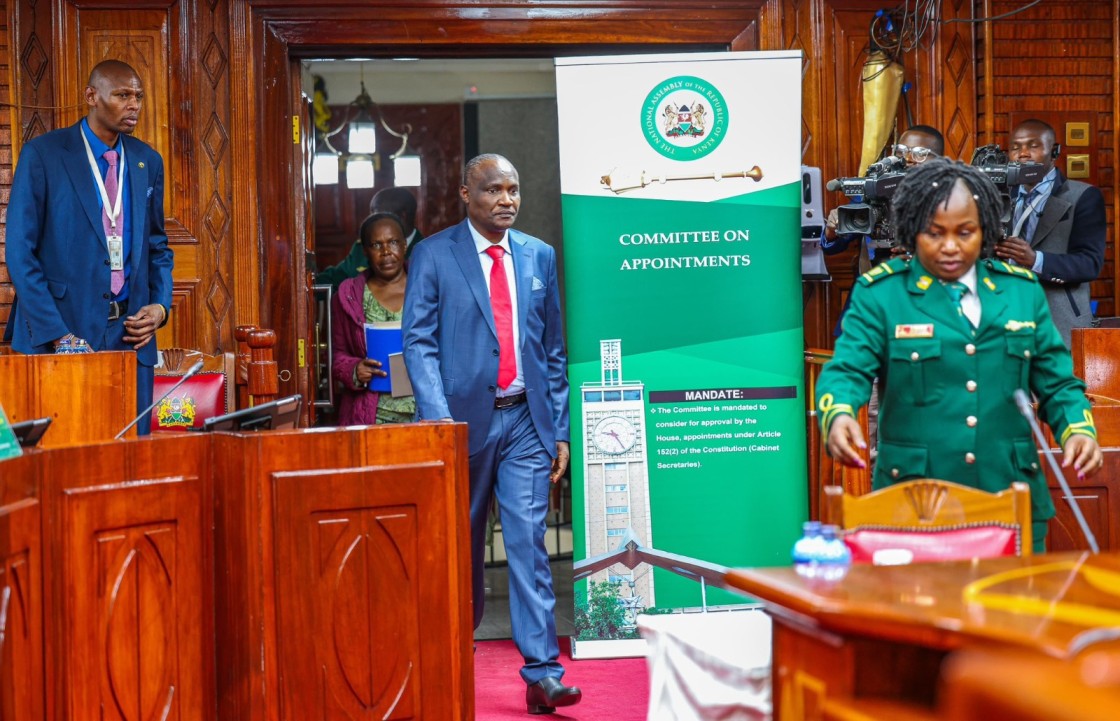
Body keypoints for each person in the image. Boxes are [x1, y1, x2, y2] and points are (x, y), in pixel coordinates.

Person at [816, 158, 1103, 552]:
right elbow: (847, 371)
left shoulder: (1020, 290)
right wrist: (840, 413)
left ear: (984, 229)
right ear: (912, 231)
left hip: (1010, 496)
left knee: (1012, 610)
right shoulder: (882, 293)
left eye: (965, 233)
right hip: (916, 501)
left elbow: (1057, 384)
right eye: (935, 234)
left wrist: (1079, 429)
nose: (950, 246)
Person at [402, 154, 579, 713]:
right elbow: (419, 342)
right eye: (494, 190)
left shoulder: (539, 256)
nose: (507, 199)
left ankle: (542, 674)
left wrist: (560, 429)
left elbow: (552, 349)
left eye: (514, 189)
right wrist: (439, 422)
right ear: (465, 194)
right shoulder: (433, 255)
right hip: (461, 425)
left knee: (528, 542)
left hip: (526, 419)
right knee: (461, 545)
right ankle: (452, 655)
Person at [3, 59, 173, 435]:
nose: (134, 105)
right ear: (91, 96)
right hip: (60, 335)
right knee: (64, 458)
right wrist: (58, 334)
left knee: (128, 458)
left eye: (139, 96)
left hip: (129, 337)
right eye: (123, 95)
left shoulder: (148, 160)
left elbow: (157, 245)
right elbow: (19, 252)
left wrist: (160, 306)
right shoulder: (44, 155)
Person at [994, 118, 1105, 347]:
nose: (1022, 154)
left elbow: (1090, 263)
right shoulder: (998, 196)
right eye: (1015, 147)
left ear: (1054, 152)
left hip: (1058, 321)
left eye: (1033, 146)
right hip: (1004, 318)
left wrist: (1036, 260)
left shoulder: (1083, 196)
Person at [330, 211, 415, 425]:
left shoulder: (427, 285)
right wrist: (355, 369)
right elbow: (338, 355)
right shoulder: (349, 295)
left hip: (424, 412)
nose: (386, 252)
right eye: (376, 245)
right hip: (373, 415)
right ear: (365, 251)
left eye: (393, 242)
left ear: (405, 245)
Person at [823, 124, 946, 272]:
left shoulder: (951, 200)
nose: (907, 159)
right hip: (874, 286)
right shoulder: (872, 190)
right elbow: (832, 247)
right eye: (901, 151)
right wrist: (831, 230)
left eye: (919, 154)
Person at [315, 187, 424, 290]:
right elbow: (337, 277)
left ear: (402, 216)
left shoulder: (426, 251)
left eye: (376, 214)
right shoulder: (364, 246)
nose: (371, 220)